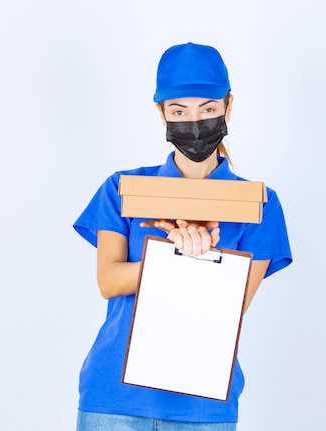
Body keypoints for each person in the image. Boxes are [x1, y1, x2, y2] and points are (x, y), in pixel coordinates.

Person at [73, 42, 292, 430]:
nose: (194, 121)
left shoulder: (259, 204)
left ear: (228, 106)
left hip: (203, 404)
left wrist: (191, 260)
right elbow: (108, 281)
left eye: (207, 108)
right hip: (113, 396)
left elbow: (233, 309)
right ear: (162, 114)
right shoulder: (124, 189)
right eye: (179, 110)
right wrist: (170, 257)